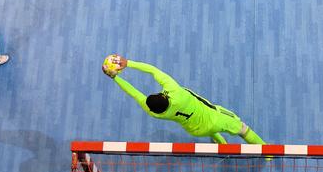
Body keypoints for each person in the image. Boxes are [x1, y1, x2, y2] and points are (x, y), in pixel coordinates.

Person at [102, 55, 267, 146]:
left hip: (195, 130)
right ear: (164, 96)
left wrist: (115, 78)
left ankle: (222, 144)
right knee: (242, 128)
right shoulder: (174, 90)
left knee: (208, 130)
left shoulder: (153, 113)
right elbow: (152, 70)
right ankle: (267, 151)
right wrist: (128, 63)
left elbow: (133, 93)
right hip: (215, 118)